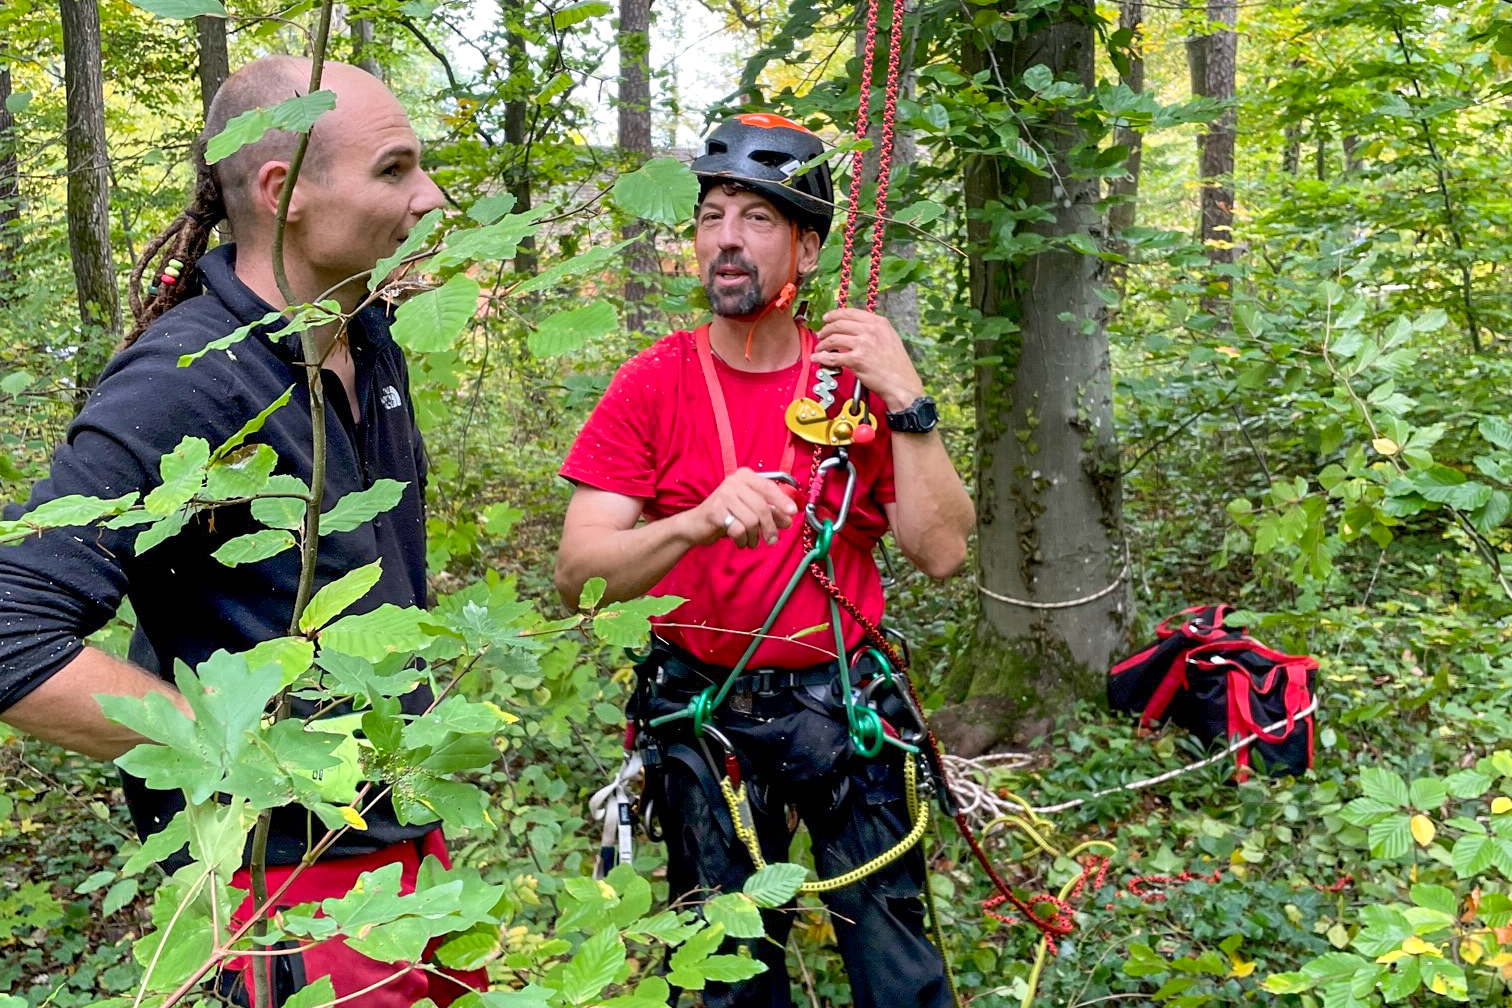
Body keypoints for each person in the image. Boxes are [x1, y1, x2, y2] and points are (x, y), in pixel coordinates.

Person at [0, 57, 484, 1006]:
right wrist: (233, 750)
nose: (429, 197)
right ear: (286, 188)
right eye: (395, 169)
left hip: (401, 844)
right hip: (287, 893)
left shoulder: (365, 334)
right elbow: (9, 625)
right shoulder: (185, 380)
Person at [555, 112, 975, 1008]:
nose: (727, 241)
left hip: (845, 704)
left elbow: (941, 552)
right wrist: (691, 525)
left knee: (895, 962)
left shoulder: (855, 385)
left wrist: (907, 398)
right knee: (723, 969)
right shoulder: (653, 381)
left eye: (757, 219)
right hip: (702, 710)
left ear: (807, 250)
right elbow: (578, 574)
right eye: (712, 218)